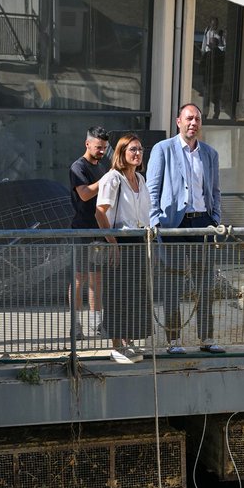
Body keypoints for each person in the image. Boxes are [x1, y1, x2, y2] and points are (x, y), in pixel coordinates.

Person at [146, 102, 225, 354]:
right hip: (173, 223)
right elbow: (152, 189)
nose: (193, 123)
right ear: (178, 121)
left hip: (202, 222)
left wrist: (214, 219)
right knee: (173, 283)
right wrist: (155, 221)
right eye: (189, 118)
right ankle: (173, 340)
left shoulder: (210, 153)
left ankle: (206, 339)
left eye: (197, 119)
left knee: (205, 283)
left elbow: (215, 190)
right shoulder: (163, 149)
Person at [95, 135, 151, 364]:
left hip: (138, 241)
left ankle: (128, 343)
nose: (137, 153)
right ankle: (116, 345)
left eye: (140, 149)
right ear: (122, 152)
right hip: (119, 240)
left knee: (134, 294)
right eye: (132, 149)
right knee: (117, 294)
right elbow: (100, 211)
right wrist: (113, 243)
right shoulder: (112, 178)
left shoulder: (140, 178)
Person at [69, 126, 110, 340]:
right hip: (82, 230)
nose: (101, 151)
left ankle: (96, 324)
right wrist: (105, 180)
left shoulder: (102, 167)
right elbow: (84, 195)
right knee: (79, 278)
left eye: (104, 147)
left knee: (97, 279)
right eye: (98, 147)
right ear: (87, 144)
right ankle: (75, 325)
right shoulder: (78, 167)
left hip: (99, 230)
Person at [199, 16, 226, 120]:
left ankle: (214, 114)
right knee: (209, 97)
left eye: (215, 23)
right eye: (212, 23)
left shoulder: (219, 34)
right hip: (211, 79)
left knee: (215, 97)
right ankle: (207, 114)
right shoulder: (207, 32)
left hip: (215, 79)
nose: (214, 25)